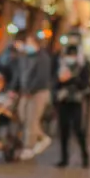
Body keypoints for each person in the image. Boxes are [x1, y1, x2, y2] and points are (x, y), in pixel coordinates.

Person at [11, 32, 53, 160]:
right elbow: (19, 74)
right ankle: (42, 137)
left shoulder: (43, 58)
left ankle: (28, 147)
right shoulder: (24, 56)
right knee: (23, 116)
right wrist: (13, 89)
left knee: (31, 119)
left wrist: (30, 90)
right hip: (25, 92)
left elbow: (41, 77)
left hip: (38, 92)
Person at [55, 44, 90, 168]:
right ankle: (64, 158)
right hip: (63, 100)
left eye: (73, 55)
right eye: (68, 55)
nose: (70, 57)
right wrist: (60, 81)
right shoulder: (61, 66)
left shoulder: (82, 67)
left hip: (76, 101)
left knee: (78, 129)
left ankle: (85, 156)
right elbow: (56, 83)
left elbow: (84, 84)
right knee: (63, 130)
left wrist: (72, 79)